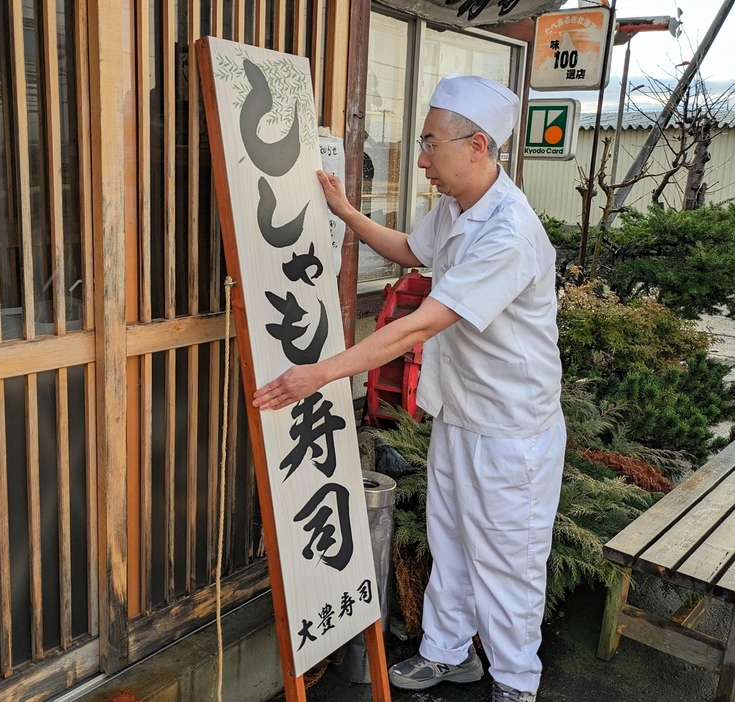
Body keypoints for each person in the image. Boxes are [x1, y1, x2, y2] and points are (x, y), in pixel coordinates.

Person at [252, 74, 565, 702]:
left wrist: (317, 374)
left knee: (508, 559)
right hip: (462, 412)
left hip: (512, 431)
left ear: (477, 146)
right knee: (449, 540)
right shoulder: (455, 206)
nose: (420, 159)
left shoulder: (507, 233)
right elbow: (408, 250)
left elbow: (418, 325)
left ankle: (515, 681)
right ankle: (448, 655)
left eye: (430, 144)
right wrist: (344, 212)